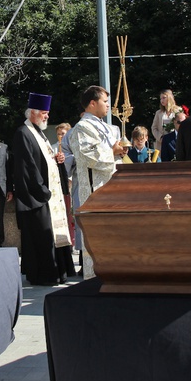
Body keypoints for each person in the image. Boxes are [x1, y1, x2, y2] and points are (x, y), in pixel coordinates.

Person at [12, 94, 73, 285]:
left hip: (48, 194)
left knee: (51, 235)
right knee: (40, 237)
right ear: (33, 113)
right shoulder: (23, 133)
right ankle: (44, 275)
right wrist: (43, 192)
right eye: (44, 113)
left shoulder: (40, 133)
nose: (47, 116)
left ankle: (59, 272)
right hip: (37, 197)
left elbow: (43, 161)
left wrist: (57, 161)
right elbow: (27, 168)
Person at [68, 85, 127, 278]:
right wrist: (112, 151)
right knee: (98, 238)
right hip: (96, 192)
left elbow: (112, 152)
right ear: (92, 103)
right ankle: (97, 279)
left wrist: (120, 152)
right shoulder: (82, 128)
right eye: (105, 101)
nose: (108, 105)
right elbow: (87, 157)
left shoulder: (105, 127)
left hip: (111, 189)